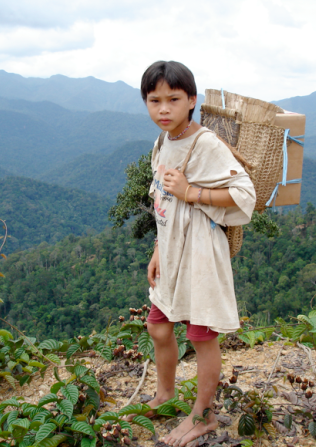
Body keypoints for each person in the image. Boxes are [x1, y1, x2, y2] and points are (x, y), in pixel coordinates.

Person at [140, 61, 256, 446]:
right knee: (158, 325)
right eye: (154, 100)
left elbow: (244, 195)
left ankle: (202, 416)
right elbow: (162, 201)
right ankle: (167, 394)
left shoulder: (205, 143)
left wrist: (191, 192)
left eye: (173, 99)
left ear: (192, 100)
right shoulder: (163, 141)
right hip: (173, 252)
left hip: (202, 254)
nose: (163, 109)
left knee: (201, 335)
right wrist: (158, 248)